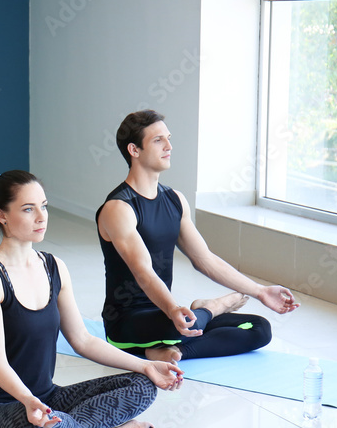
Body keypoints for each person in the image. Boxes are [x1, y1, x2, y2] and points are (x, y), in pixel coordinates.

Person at [0, 171, 183, 428]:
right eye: (28, 209)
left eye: (44, 206)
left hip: (46, 399)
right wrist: (28, 402)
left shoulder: (54, 267)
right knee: (38, 422)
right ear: (1, 215)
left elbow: (82, 340)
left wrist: (147, 365)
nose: (41, 217)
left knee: (142, 385)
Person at [97, 110, 300, 362]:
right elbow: (144, 272)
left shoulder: (175, 200)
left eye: (168, 138)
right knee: (177, 326)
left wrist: (260, 291)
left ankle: (171, 352)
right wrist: (174, 309)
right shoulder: (119, 208)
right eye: (158, 140)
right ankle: (211, 307)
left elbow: (204, 259)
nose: (169, 146)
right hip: (127, 320)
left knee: (260, 329)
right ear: (134, 150)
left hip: (165, 314)